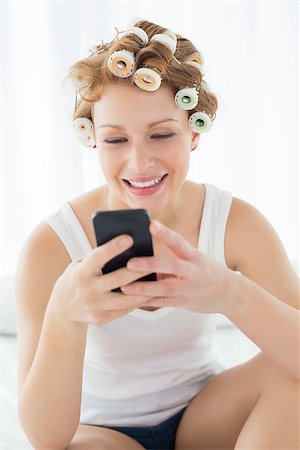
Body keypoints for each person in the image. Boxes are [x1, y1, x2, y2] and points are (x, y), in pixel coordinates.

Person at [15, 18, 299, 450]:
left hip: (205, 416)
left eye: (162, 134)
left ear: (194, 133)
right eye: (115, 140)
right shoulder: (50, 246)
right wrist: (64, 314)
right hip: (103, 432)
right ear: (92, 139)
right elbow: (45, 438)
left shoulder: (235, 224)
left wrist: (232, 294)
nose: (139, 162)